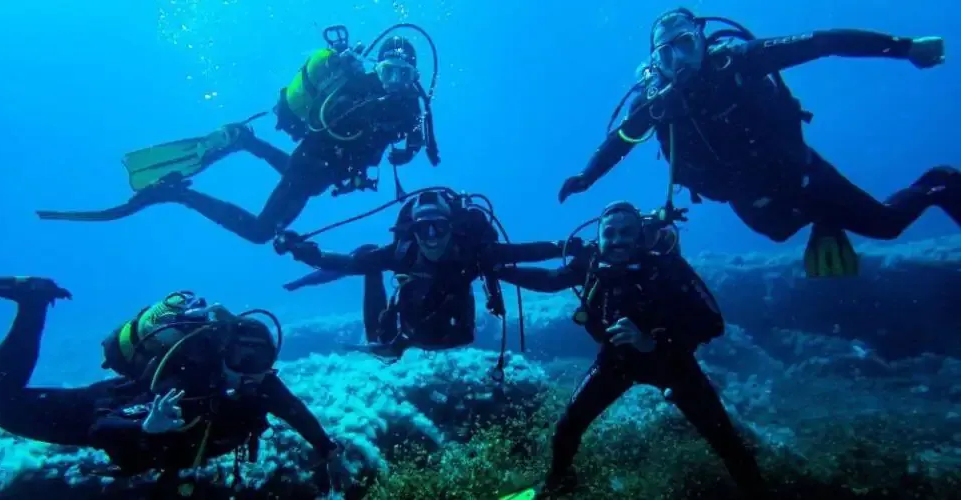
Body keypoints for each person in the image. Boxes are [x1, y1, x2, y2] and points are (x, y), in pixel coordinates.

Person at [558, 7, 957, 278]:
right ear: (655, 61)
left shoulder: (737, 61)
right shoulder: (658, 102)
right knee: (779, 233)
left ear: (701, 38)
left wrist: (903, 47)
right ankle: (825, 218)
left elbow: (822, 43)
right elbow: (621, 139)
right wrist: (586, 176)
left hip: (801, 171)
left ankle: (937, 183)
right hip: (744, 194)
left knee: (886, 227)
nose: (678, 58)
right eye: (665, 52)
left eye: (684, 43)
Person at [37, 26, 441, 246]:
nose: (394, 80)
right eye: (388, 70)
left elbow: (408, 144)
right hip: (316, 161)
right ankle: (179, 193)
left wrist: (406, 150)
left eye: (403, 74)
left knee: (305, 182)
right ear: (378, 65)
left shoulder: (410, 105)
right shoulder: (356, 84)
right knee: (262, 232)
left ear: (415, 75)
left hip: (327, 171)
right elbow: (326, 119)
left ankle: (246, 141)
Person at [0, 276, 343, 496]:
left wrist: (327, 450)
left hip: (163, 454)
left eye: (263, 362)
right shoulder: (180, 387)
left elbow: (296, 412)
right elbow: (102, 427)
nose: (253, 373)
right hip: (90, 410)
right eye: (244, 362)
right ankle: (33, 302)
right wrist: (145, 426)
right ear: (223, 356)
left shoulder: (259, 384)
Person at [496, 202, 767, 499]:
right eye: (609, 233)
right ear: (598, 239)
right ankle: (559, 483)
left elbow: (712, 322)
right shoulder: (593, 265)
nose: (617, 240)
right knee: (568, 427)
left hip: (672, 364)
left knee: (724, 440)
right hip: (616, 363)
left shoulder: (666, 267)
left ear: (640, 236)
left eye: (626, 232)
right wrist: (499, 271)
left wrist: (651, 341)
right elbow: (550, 280)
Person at [274, 189, 580, 359]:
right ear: (413, 231)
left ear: (452, 228)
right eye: (423, 228)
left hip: (455, 333)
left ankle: (396, 344)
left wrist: (564, 247)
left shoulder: (473, 253)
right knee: (369, 260)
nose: (431, 236)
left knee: (369, 259)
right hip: (408, 332)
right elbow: (349, 263)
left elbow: (523, 253)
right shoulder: (401, 253)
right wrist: (307, 255)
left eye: (439, 227)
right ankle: (395, 343)